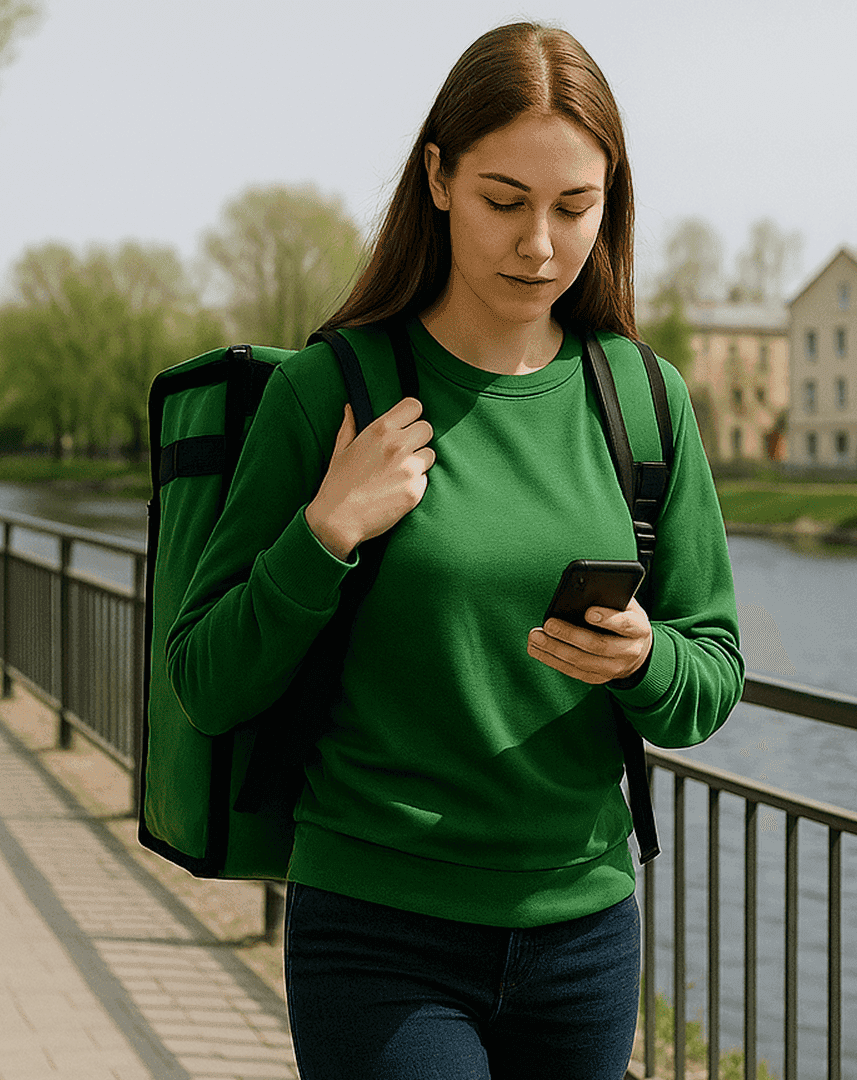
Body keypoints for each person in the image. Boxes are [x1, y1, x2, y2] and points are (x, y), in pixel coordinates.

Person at [166, 22, 742, 1079]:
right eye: (504, 200)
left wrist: (645, 660)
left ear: (612, 198)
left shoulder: (647, 405)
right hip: (378, 929)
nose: (539, 246)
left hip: (585, 932)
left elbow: (711, 675)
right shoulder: (327, 394)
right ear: (437, 177)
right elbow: (205, 681)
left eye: (576, 208)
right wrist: (325, 532)